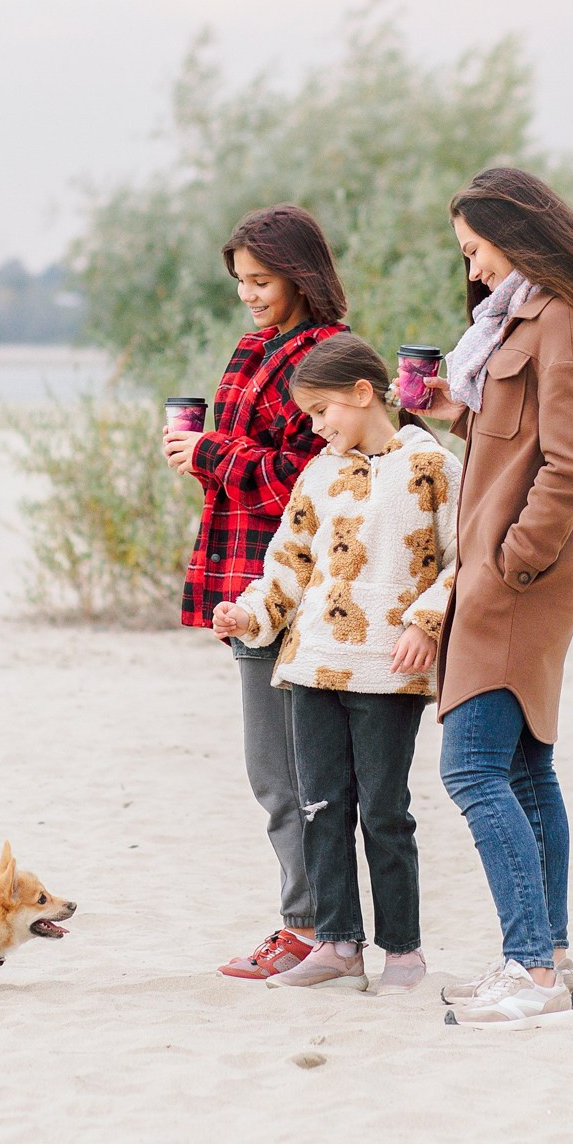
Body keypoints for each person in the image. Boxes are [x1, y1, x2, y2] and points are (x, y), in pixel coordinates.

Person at [417, 167, 573, 1030]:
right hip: (508, 575)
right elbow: (524, 443)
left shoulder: (557, 321)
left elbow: (570, 464)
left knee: (473, 768)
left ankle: (530, 971)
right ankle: (549, 956)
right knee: (523, 768)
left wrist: (512, 564)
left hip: (516, 583)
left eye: (476, 251)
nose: (474, 271)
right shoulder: (524, 320)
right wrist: (457, 412)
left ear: (515, 238)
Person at [212, 335, 461, 995]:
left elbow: (462, 560)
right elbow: (291, 562)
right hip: (312, 665)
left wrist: (425, 625)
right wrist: (250, 614)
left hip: (388, 670)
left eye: (324, 412)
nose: (318, 428)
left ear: (362, 392)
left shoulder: (434, 465)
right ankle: (337, 943)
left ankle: (402, 952)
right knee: (321, 806)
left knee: (385, 811)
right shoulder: (320, 472)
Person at [165, 203, 348, 980]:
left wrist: (211, 450)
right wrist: (205, 454)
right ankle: (315, 926)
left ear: (301, 275)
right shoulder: (253, 348)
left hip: (292, 587)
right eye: (241, 281)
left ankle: (310, 930)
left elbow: (305, 482)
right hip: (241, 577)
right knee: (277, 772)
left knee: (288, 775)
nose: (249, 295)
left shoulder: (327, 357)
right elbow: (251, 461)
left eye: (262, 280)